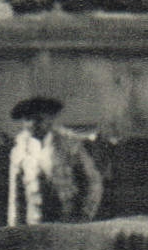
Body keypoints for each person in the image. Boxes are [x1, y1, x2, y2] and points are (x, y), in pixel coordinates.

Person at [7, 96, 103, 226]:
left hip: (68, 219)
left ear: (50, 119)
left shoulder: (69, 145)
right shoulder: (19, 151)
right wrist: (15, 228)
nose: (32, 124)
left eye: (38, 119)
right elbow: (15, 196)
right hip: (35, 223)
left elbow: (94, 181)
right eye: (27, 120)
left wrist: (85, 214)